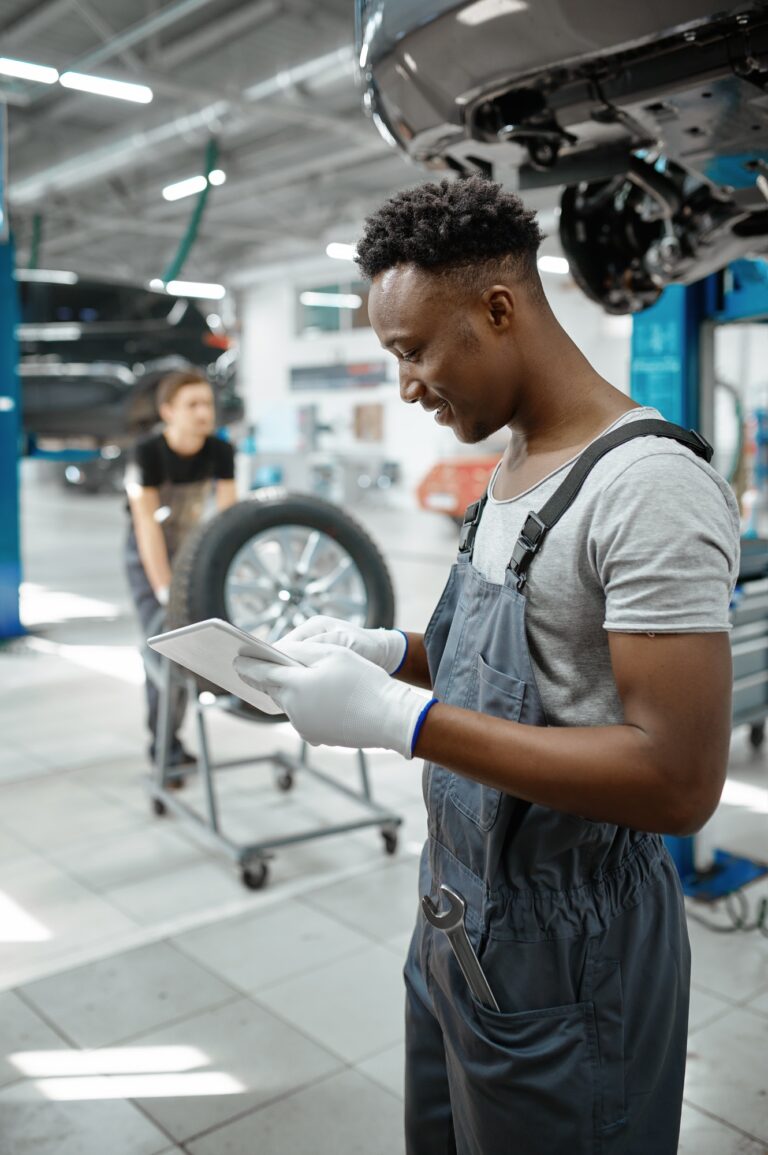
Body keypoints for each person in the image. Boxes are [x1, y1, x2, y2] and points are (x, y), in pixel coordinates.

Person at [234, 177, 739, 1154]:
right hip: (461, 926)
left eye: (414, 350)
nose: (407, 385)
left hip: (575, 950)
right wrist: (389, 655)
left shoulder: (647, 488)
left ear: (498, 309)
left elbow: (678, 783)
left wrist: (401, 721)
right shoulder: (511, 469)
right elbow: (512, 668)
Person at [125, 367, 237, 769]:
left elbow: (228, 518)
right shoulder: (147, 453)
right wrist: (163, 590)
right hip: (147, 554)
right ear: (168, 411)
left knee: (191, 646)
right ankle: (163, 747)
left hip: (191, 548)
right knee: (163, 647)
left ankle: (173, 742)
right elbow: (146, 526)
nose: (203, 412)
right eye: (192, 404)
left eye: (207, 403)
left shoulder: (221, 451)